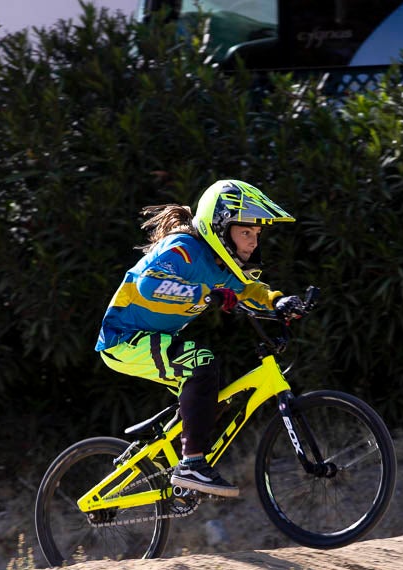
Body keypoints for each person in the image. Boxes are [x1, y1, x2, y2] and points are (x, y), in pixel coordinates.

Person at [95, 179, 305, 497]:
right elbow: (149, 285)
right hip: (123, 339)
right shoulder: (183, 248)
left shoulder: (221, 267)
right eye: (246, 232)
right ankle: (191, 464)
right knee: (200, 362)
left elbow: (248, 290)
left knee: (213, 398)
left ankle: (169, 460)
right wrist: (206, 294)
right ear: (220, 227)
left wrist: (279, 301)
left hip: (155, 337)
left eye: (257, 235)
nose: (253, 242)